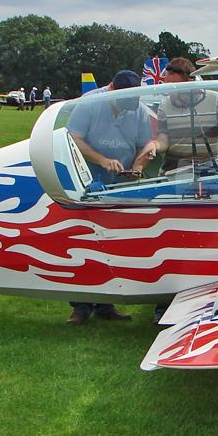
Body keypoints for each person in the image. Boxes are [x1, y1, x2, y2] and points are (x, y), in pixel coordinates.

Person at [64, 70, 157, 325]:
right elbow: (73, 139)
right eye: (122, 99)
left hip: (119, 184)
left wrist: (139, 163)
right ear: (111, 88)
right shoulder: (90, 104)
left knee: (112, 242)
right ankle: (80, 306)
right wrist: (102, 160)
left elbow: (145, 142)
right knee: (83, 240)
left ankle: (106, 304)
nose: (127, 106)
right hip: (86, 178)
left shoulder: (137, 109)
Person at [152, 57, 218, 172]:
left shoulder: (215, 100)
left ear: (190, 82)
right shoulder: (164, 104)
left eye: (175, 86)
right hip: (172, 173)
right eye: (168, 87)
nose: (170, 92)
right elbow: (163, 138)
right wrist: (155, 146)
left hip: (207, 172)